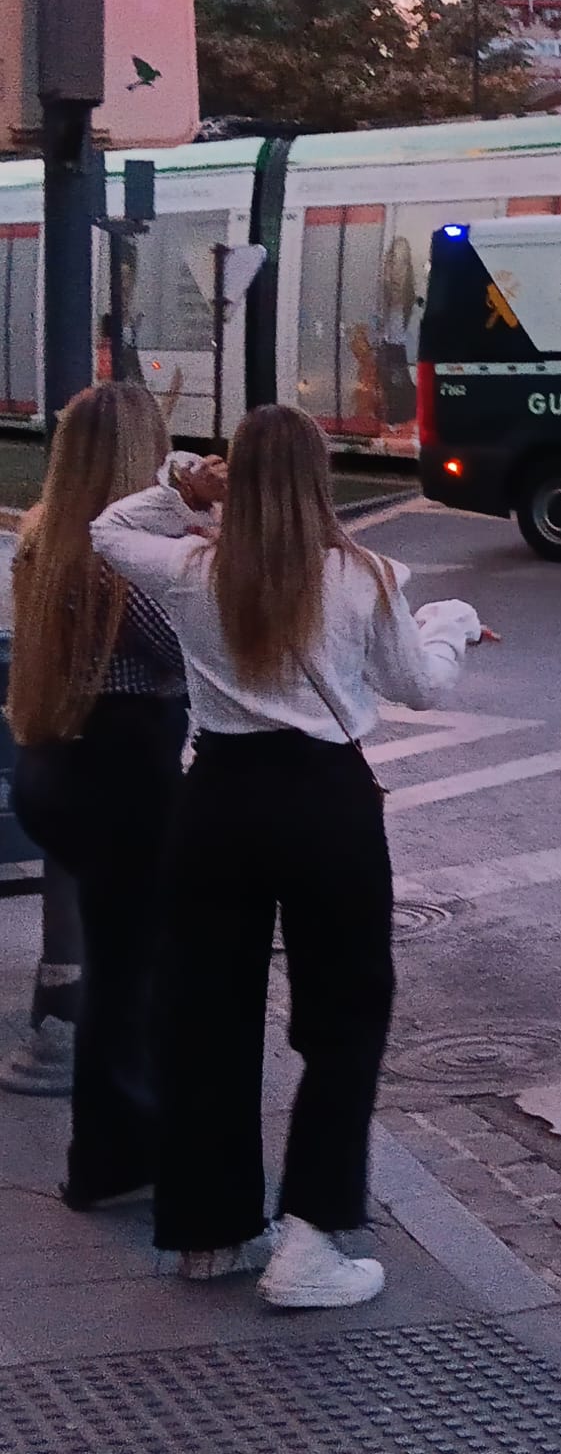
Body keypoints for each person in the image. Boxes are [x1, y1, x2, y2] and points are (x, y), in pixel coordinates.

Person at [91, 403, 491, 1308]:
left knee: (206, 1017)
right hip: (326, 807)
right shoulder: (369, 576)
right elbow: (420, 686)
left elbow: (106, 530)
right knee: (344, 1019)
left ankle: (211, 1231)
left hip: (218, 799)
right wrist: (452, 623)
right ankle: (311, 1239)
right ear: (318, 482)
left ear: (239, 478)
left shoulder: (191, 567)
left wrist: (177, 486)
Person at [7, 383, 187, 1211]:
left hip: (54, 761)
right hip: (121, 766)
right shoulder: (114, 554)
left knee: (121, 962)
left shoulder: (43, 532)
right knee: (131, 972)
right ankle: (115, 1155)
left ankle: (113, 1150)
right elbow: (187, 651)